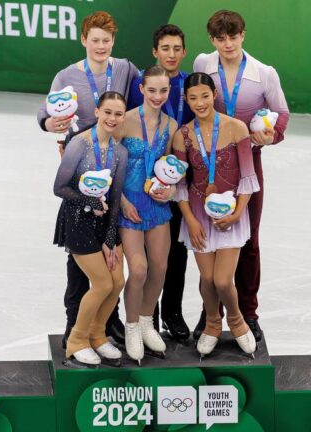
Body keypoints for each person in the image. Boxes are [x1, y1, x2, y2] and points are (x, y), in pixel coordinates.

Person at [37, 11, 139, 348]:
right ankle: (73, 325)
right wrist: (49, 125)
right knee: (80, 255)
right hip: (79, 168)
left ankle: (106, 324)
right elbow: (45, 113)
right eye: (94, 40)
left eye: (106, 40)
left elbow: (143, 100)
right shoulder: (67, 76)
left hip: (114, 163)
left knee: (110, 253)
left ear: (113, 42)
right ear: (84, 40)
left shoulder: (124, 69)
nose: (100, 46)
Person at [193, 10, 290, 341]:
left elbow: (281, 115)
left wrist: (270, 136)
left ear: (243, 35)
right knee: (207, 239)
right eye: (220, 38)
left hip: (248, 165)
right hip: (207, 164)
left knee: (247, 240)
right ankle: (212, 314)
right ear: (212, 40)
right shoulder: (203, 64)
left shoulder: (264, 74)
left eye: (233, 37)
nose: (227, 44)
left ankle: (249, 312)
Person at [172, 72, 258, 357]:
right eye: (193, 98)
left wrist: (238, 214)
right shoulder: (183, 135)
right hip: (197, 214)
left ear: (214, 96)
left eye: (205, 96)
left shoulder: (236, 128)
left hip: (232, 213)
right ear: (186, 99)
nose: (200, 103)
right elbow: (180, 185)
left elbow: (248, 176)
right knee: (206, 279)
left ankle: (236, 321)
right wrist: (191, 219)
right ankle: (211, 324)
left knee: (223, 280)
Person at [127, 24, 195, 341]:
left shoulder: (189, 84)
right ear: (155, 51)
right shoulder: (141, 83)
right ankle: (145, 317)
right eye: (164, 48)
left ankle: (172, 312)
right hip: (139, 179)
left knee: (175, 250)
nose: (171, 54)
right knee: (141, 255)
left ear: (183, 52)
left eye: (176, 48)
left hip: (179, 175)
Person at [52, 91, 129, 367]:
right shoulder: (79, 145)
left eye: (118, 114)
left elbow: (116, 196)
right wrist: (89, 200)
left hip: (104, 222)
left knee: (118, 281)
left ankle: (98, 335)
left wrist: (111, 237)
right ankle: (77, 340)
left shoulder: (120, 152)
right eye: (107, 112)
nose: (112, 118)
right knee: (102, 283)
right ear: (97, 111)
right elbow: (59, 187)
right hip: (77, 220)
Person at [119, 66, 179, 363]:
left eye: (163, 91)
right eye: (152, 90)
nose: (157, 96)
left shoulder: (171, 125)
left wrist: (168, 191)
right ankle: (131, 326)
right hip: (129, 204)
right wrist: (119, 201)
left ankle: (146, 321)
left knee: (159, 268)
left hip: (157, 206)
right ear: (141, 89)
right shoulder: (125, 120)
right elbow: (110, 164)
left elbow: (168, 168)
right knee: (139, 269)